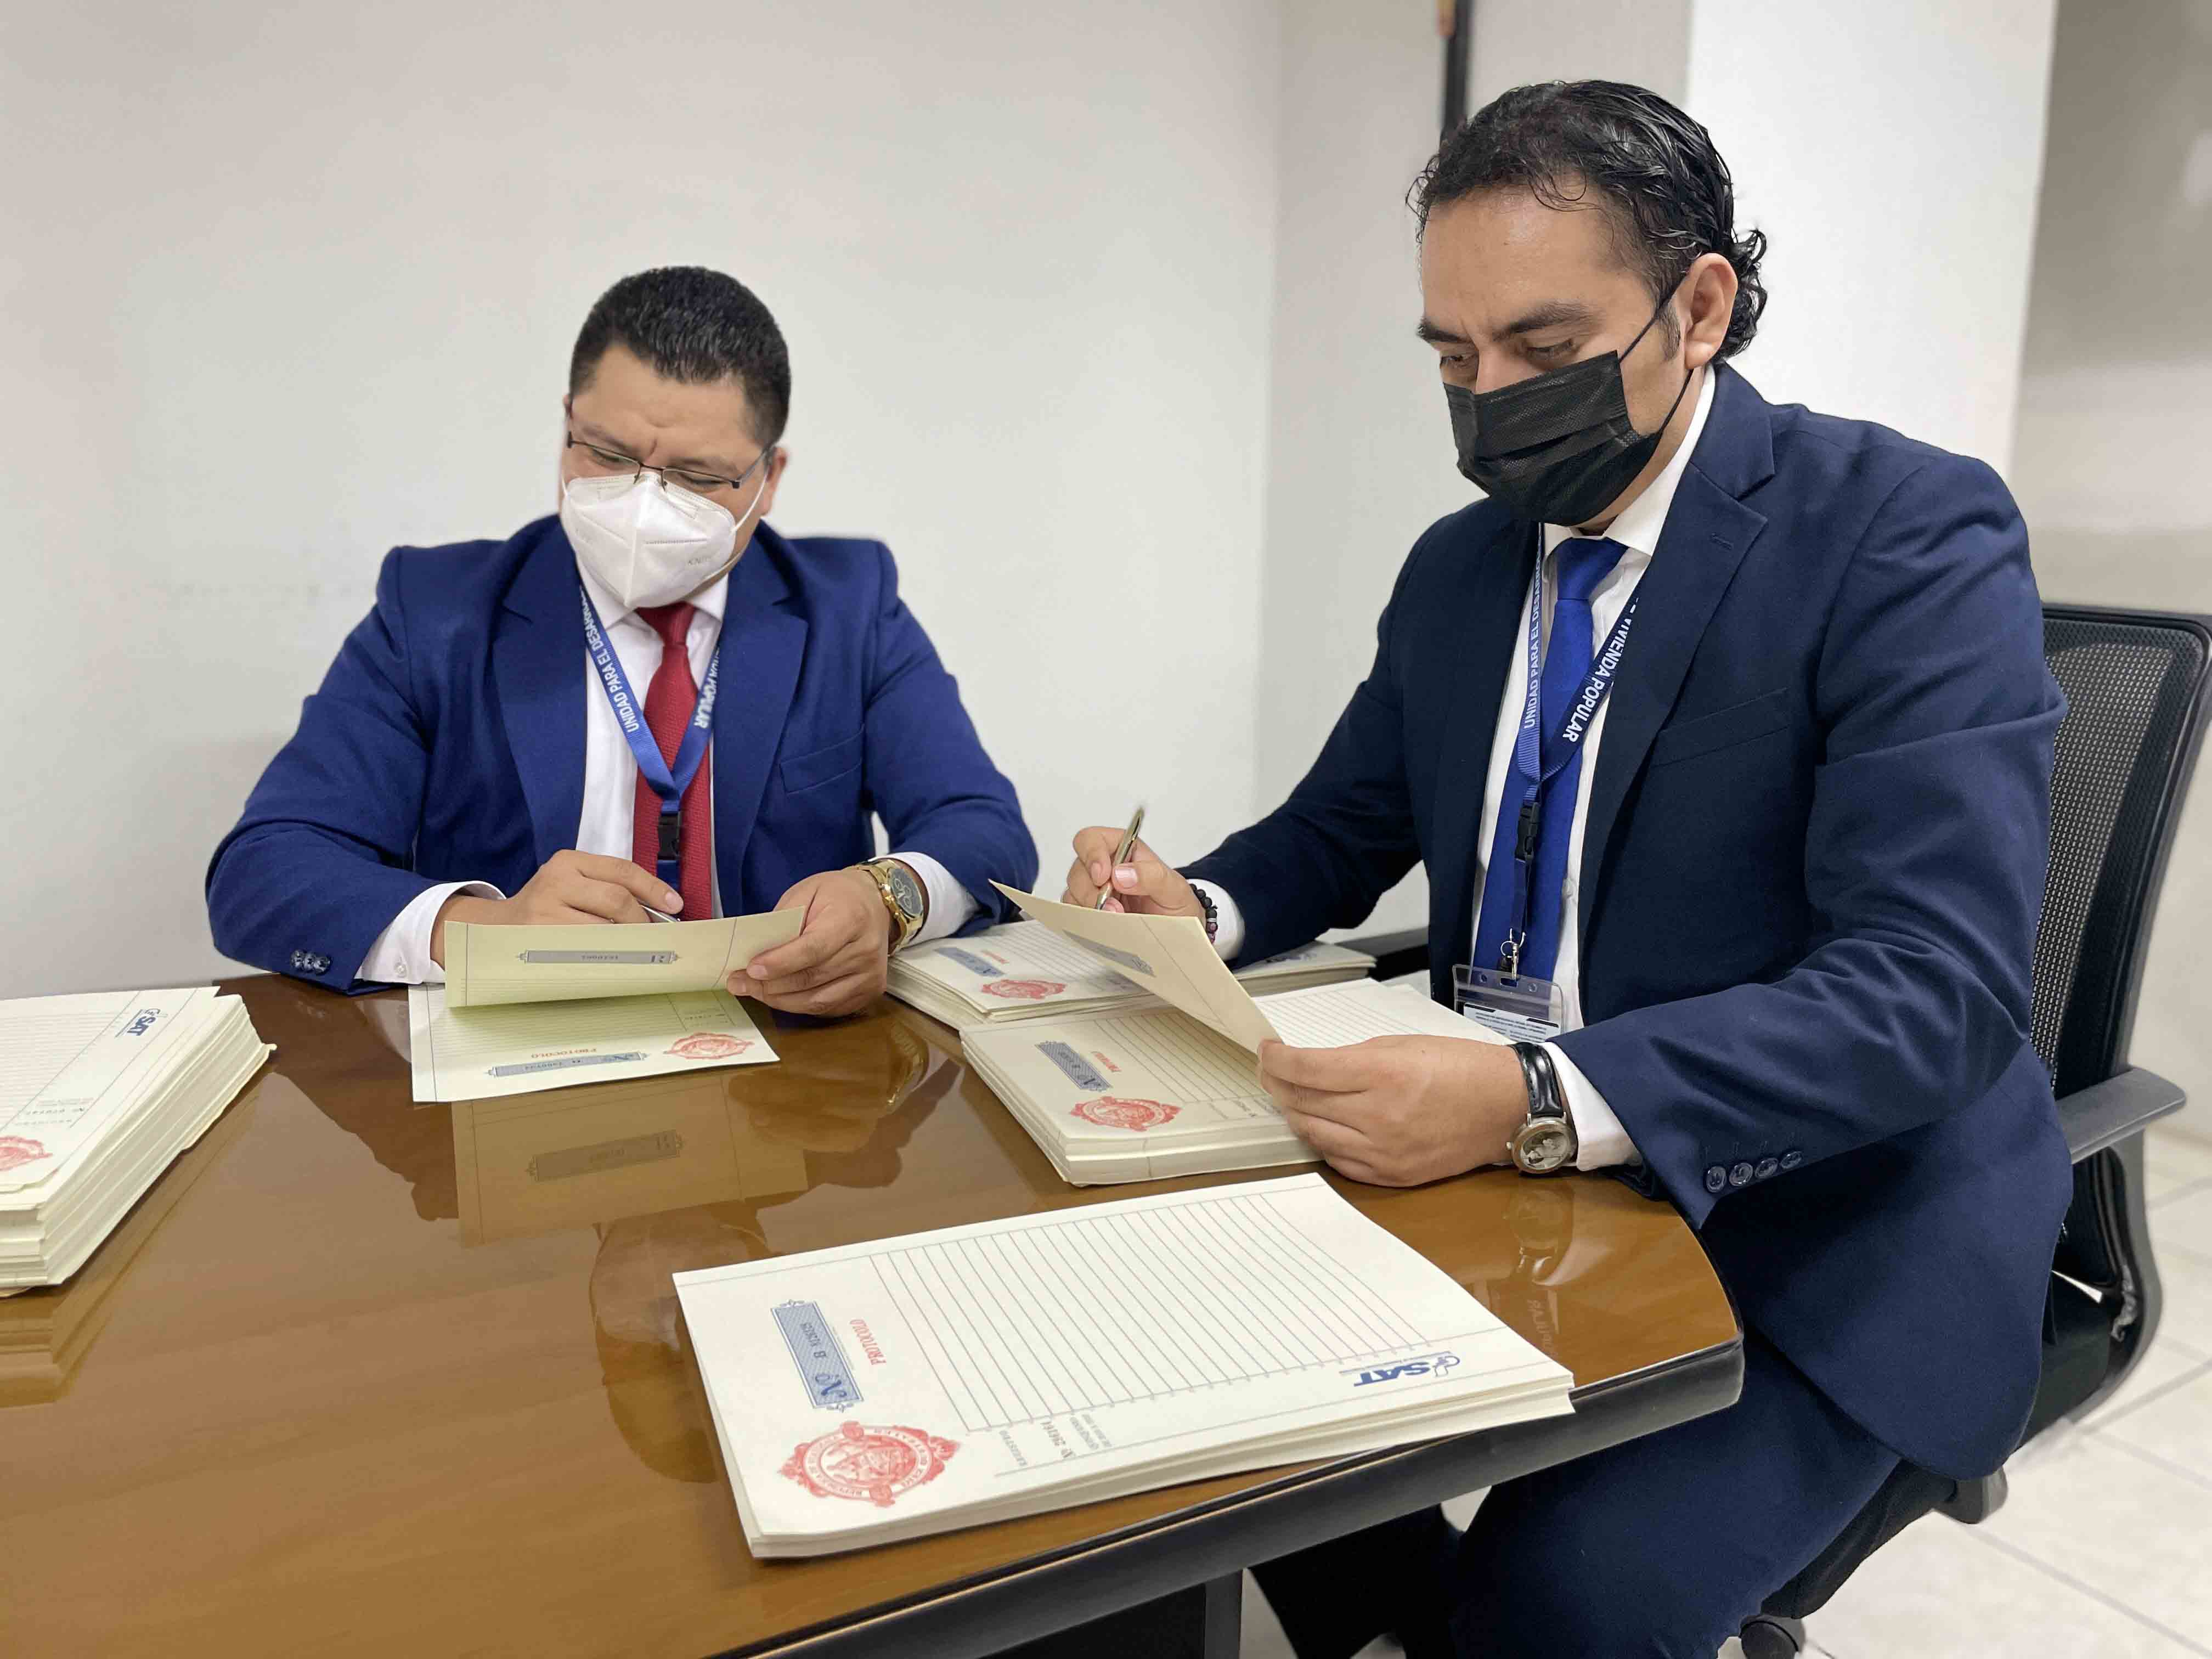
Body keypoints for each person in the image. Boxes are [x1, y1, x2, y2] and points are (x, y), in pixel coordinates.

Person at [1063, 82, 2069, 1656]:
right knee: (1211, 1423)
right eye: (1453, 361)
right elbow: (1342, 827)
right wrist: (1193, 902)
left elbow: (1931, 992)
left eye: (1543, 349)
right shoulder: (1463, 567)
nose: (1492, 403)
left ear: (1700, 308)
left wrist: (1534, 1095)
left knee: (1564, 1605)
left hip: (1820, 1219)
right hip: (1512, 1183)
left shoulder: (1900, 534)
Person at [209, 266, 1035, 1015]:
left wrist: (888, 900)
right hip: (519, 1070)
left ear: (769, 479)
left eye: (698, 477)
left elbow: (981, 826)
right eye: (608, 455)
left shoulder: (848, 606)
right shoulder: (433, 611)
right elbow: (265, 870)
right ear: (567, 425)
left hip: (781, 1065)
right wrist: (480, 929)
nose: (645, 503)